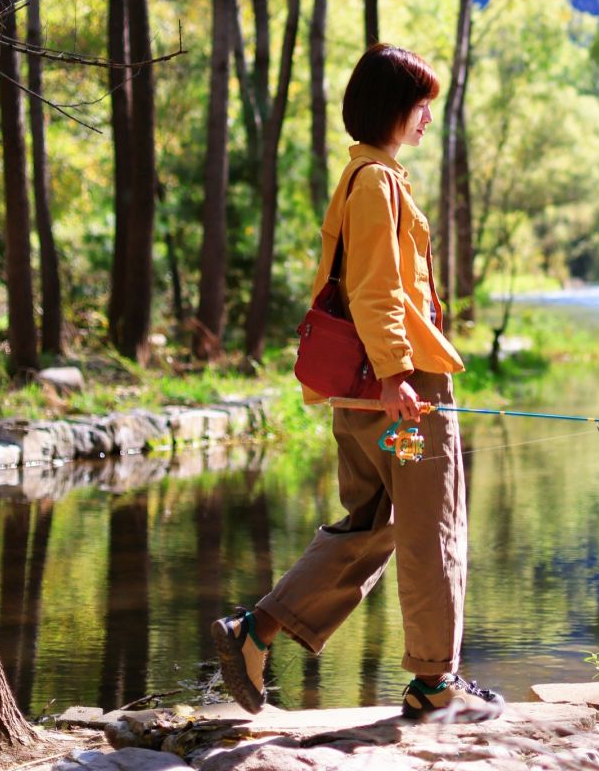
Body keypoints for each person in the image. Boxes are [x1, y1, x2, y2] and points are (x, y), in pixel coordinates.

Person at [212, 44, 504, 723]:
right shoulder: (376, 183)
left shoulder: (364, 177)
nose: (427, 116)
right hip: (402, 393)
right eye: (420, 103)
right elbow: (375, 290)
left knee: (381, 520)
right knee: (431, 524)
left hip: (372, 392)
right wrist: (401, 377)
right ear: (392, 107)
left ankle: (256, 633)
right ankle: (435, 684)